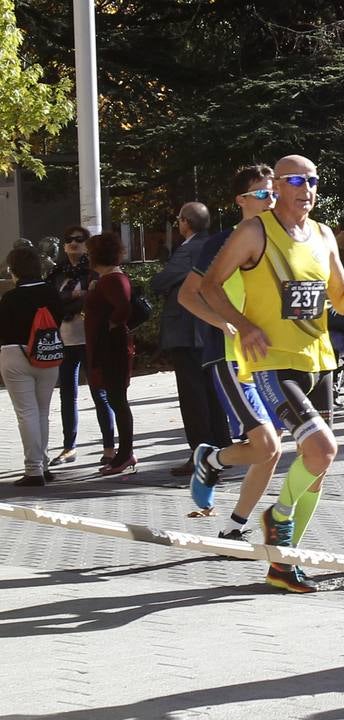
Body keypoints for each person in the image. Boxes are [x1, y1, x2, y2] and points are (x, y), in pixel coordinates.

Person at [199, 154, 344, 593]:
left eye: (314, 181)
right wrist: (243, 325)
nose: (307, 189)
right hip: (272, 362)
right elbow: (209, 286)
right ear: (278, 187)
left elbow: (341, 300)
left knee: (317, 466)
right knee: (323, 449)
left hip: (317, 360)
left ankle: (283, 564)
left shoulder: (323, 235)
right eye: (297, 181)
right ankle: (276, 517)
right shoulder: (254, 232)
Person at [177, 164, 282, 540]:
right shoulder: (222, 242)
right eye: (261, 194)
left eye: (274, 193)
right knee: (265, 444)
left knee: (272, 448)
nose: (270, 200)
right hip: (231, 355)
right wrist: (223, 322)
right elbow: (188, 295)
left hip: (272, 356)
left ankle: (234, 525)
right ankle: (210, 459)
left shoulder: (285, 241)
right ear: (240, 200)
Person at [154, 201, 230, 476]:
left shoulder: (189, 250)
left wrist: (169, 284)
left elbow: (161, 281)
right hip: (210, 329)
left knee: (193, 395)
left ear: (185, 222)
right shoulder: (216, 246)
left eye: (178, 219)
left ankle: (201, 452)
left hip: (187, 332)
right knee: (212, 391)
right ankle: (222, 446)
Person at [47, 225, 115, 467]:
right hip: (65, 339)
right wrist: (75, 300)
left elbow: (96, 300)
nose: (73, 243)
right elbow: (51, 303)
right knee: (67, 394)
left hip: (90, 339)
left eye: (80, 239)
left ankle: (109, 448)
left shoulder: (94, 272)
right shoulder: (57, 273)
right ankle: (68, 447)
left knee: (100, 393)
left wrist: (77, 300)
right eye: (69, 240)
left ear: (88, 244)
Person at [0, 246, 63, 487]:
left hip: (15, 355)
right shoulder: (50, 292)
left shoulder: (10, 298)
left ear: (14, 271)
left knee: (26, 413)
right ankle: (43, 465)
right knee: (43, 412)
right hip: (48, 356)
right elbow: (59, 318)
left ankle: (33, 469)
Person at [83, 233, 136, 476]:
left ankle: (124, 454)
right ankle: (124, 453)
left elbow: (122, 306)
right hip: (108, 346)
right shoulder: (108, 278)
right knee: (115, 399)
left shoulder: (112, 279)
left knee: (117, 400)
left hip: (111, 348)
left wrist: (113, 323)